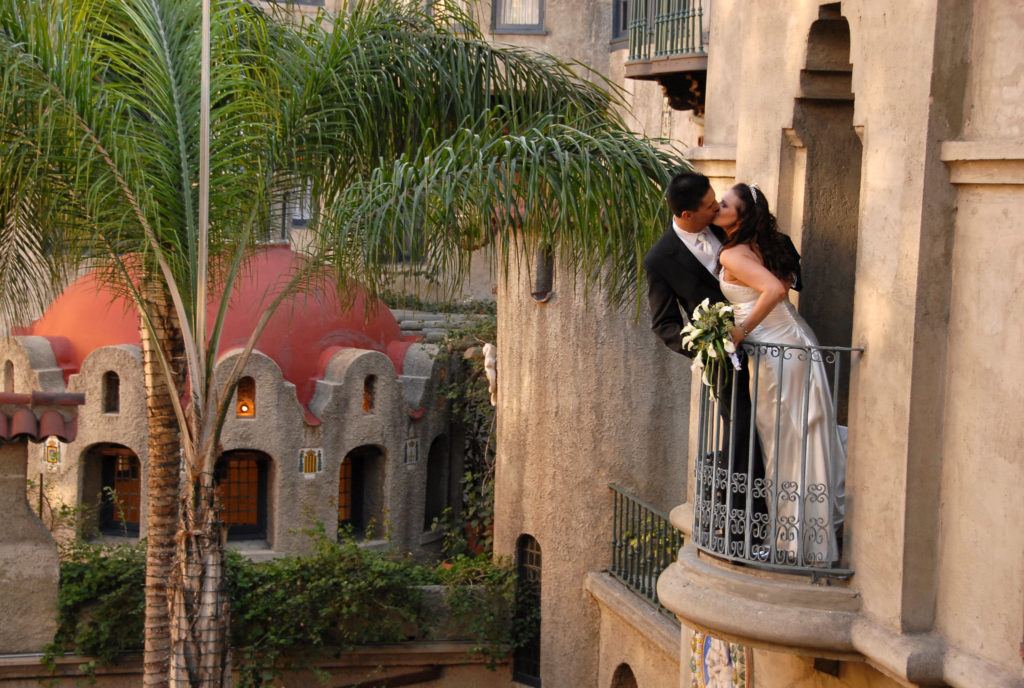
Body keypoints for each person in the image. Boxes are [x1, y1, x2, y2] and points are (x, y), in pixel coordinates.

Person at [714, 182, 845, 565]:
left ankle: (791, 543)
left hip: (777, 352)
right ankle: (803, 538)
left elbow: (773, 289)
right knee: (800, 437)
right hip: (795, 341)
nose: (718, 207)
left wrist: (741, 331)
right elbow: (782, 283)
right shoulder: (762, 246)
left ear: (741, 216)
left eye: (725, 204)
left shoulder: (733, 255)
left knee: (783, 445)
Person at [643, 171, 767, 547]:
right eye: (710, 206)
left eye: (717, 201)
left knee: (774, 422)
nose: (717, 208)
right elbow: (664, 325)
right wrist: (708, 345)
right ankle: (744, 524)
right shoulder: (660, 258)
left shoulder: (724, 226)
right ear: (686, 214)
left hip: (768, 334)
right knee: (742, 428)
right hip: (724, 357)